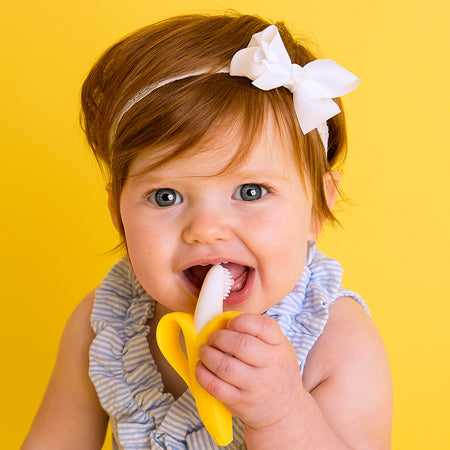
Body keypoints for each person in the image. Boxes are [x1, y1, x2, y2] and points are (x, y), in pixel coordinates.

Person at [22, 12, 392, 450]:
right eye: (165, 197)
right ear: (117, 212)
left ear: (317, 206)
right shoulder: (106, 324)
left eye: (251, 191)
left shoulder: (337, 339)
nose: (206, 229)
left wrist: (280, 414)